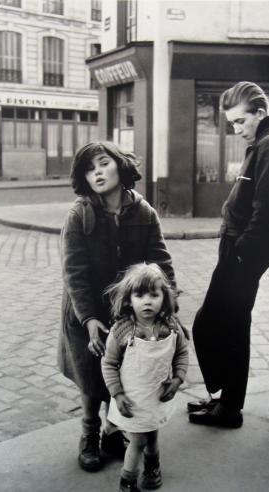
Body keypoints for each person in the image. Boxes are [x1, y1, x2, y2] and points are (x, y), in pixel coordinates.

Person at [58, 141, 177, 472]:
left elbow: (161, 262)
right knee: (91, 378)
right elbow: (74, 273)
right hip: (86, 312)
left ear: (120, 165)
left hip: (128, 312)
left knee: (121, 371)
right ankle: (89, 434)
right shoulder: (79, 215)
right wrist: (89, 319)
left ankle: (112, 433)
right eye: (88, 168)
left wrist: (171, 303)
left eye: (102, 163)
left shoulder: (144, 212)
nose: (96, 171)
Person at [188, 81, 269, 428]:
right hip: (237, 246)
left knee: (211, 326)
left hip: (244, 250)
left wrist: (240, 255)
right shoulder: (262, 141)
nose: (235, 130)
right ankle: (225, 401)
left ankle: (229, 408)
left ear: (260, 113)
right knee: (228, 326)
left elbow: (267, 212)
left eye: (239, 122)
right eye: (232, 123)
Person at [102, 263, 189, 492]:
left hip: (157, 396)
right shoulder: (122, 331)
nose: (147, 301)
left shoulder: (170, 327)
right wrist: (117, 394)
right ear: (130, 299)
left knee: (152, 433)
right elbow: (109, 363)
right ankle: (127, 482)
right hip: (131, 399)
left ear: (164, 297)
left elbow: (181, 353)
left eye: (154, 294)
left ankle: (152, 467)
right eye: (140, 295)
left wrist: (178, 379)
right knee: (138, 440)